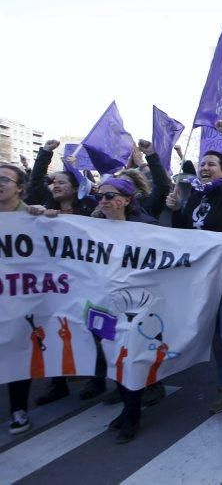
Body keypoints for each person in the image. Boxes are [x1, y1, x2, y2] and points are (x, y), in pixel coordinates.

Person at [165, 120, 222, 418]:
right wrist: (177, 210)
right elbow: (185, 235)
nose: (205, 167)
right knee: (215, 335)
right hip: (204, 278)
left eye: (212, 164)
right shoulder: (194, 197)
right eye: (203, 163)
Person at [25, 140, 101, 405]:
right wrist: (44, 153)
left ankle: (96, 379)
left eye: (62, 182)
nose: (55, 186)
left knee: (91, 329)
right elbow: (34, 184)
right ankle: (58, 383)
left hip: (85, 283)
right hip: (53, 284)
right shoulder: (43, 210)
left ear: (75, 188)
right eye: (53, 182)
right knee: (54, 330)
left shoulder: (88, 212)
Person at [91, 177, 159, 442]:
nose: (104, 200)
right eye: (101, 195)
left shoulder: (147, 227)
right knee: (112, 356)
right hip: (104, 303)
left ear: (126, 200)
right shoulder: (90, 226)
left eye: (110, 196)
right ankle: (125, 406)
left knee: (131, 358)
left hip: (135, 305)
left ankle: (132, 415)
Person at [1, 163, 58, 434]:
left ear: (20, 188)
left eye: (4, 180)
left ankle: (18, 409)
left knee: (17, 352)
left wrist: (46, 216)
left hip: (21, 298)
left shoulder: (34, 217)